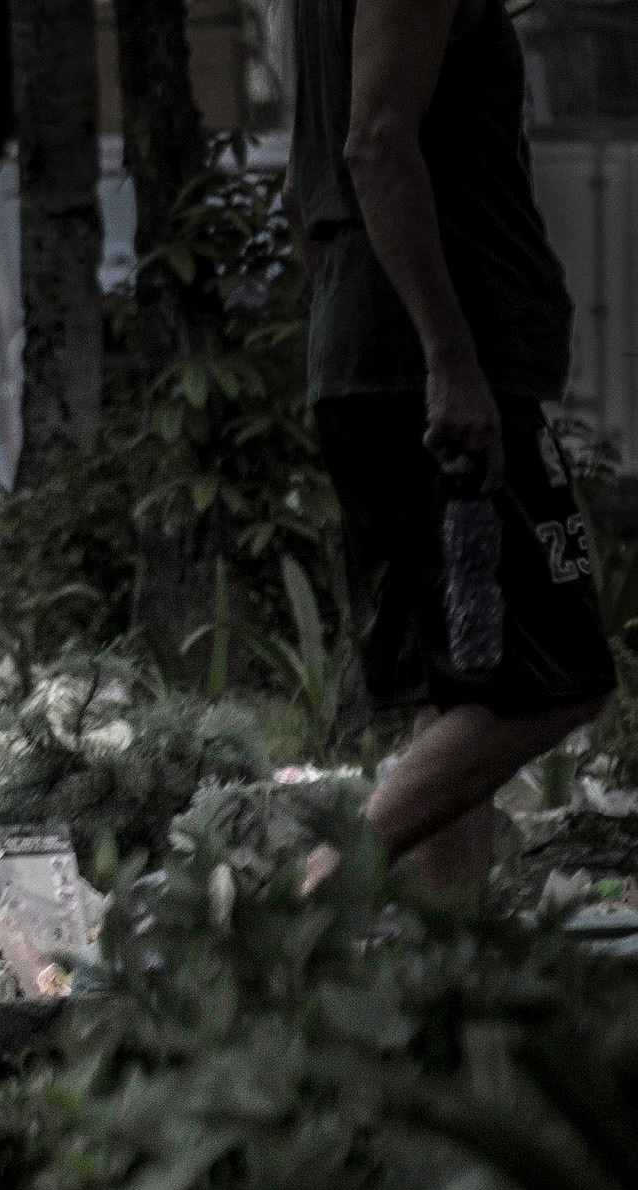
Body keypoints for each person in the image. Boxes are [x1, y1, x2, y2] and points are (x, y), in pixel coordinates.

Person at [297, 0, 614, 900]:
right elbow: (374, 145)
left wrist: (347, 334)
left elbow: (302, 186)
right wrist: (447, 358)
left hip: (374, 357)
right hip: (440, 366)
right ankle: (306, 897)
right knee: (560, 682)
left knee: (464, 684)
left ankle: (452, 975)